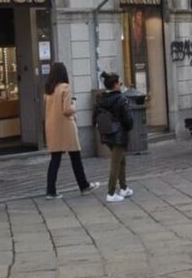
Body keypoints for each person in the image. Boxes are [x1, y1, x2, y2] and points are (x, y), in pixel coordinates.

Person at [43, 62, 98, 200]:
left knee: (55, 159)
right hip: (66, 127)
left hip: (51, 126)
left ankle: (51, 190)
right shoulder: (65, 88)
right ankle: (84, 185)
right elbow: (67, 110)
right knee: (75, 157)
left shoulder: (48, 89)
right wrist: (74, 103)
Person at [95, 72, 133, 203]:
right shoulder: (121, 99)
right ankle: (111, 193)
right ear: (115, 85)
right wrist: (128, 128)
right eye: (120, 83)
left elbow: (95, 117)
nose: (120, 86)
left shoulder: (101, 99)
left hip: (107, 134)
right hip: (119, 134)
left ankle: (124, 187)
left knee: (121, 160)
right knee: (116, 163)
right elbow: (128, 119)